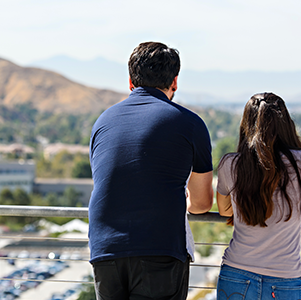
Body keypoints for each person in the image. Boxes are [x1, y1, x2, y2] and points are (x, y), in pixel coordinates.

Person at [88, 41, 214, 300]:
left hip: (105, 249)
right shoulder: (190, 124)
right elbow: (201, 204)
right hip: (160, 248)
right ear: (175, 82)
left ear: (131, 82)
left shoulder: (102, 122)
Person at [216, 92, 301, 300]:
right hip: (284, 279)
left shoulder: (230, 164)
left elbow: (224, 210)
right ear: (286, 124)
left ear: (245, 125)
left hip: (236, 274)